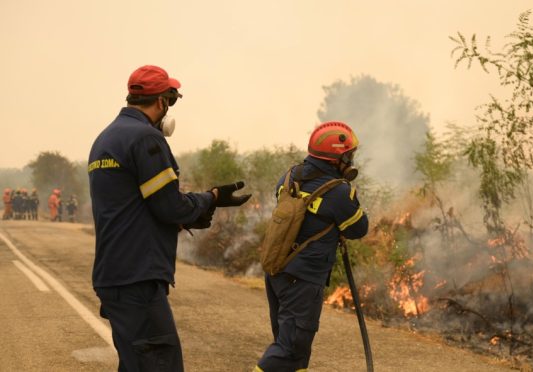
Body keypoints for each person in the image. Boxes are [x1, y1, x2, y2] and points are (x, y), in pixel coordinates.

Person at [88, 64, 251, 372]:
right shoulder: (146, 139)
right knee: (161, 364)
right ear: (163, 102)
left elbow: (133, 206)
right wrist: (211, 198)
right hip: (138, 275)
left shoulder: (105, 139)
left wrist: (186, 219)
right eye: (170, 100)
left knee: (137, 363)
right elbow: (169, 206)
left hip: (114, 273)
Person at [255, 121, 369, 372]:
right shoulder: (339, 193)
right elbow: (359, 229)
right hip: (303, 280)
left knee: (295, 353)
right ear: (336, 158)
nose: (351, 161)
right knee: (289, 351)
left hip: (277, 272)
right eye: (349, 155)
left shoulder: (288, 177)